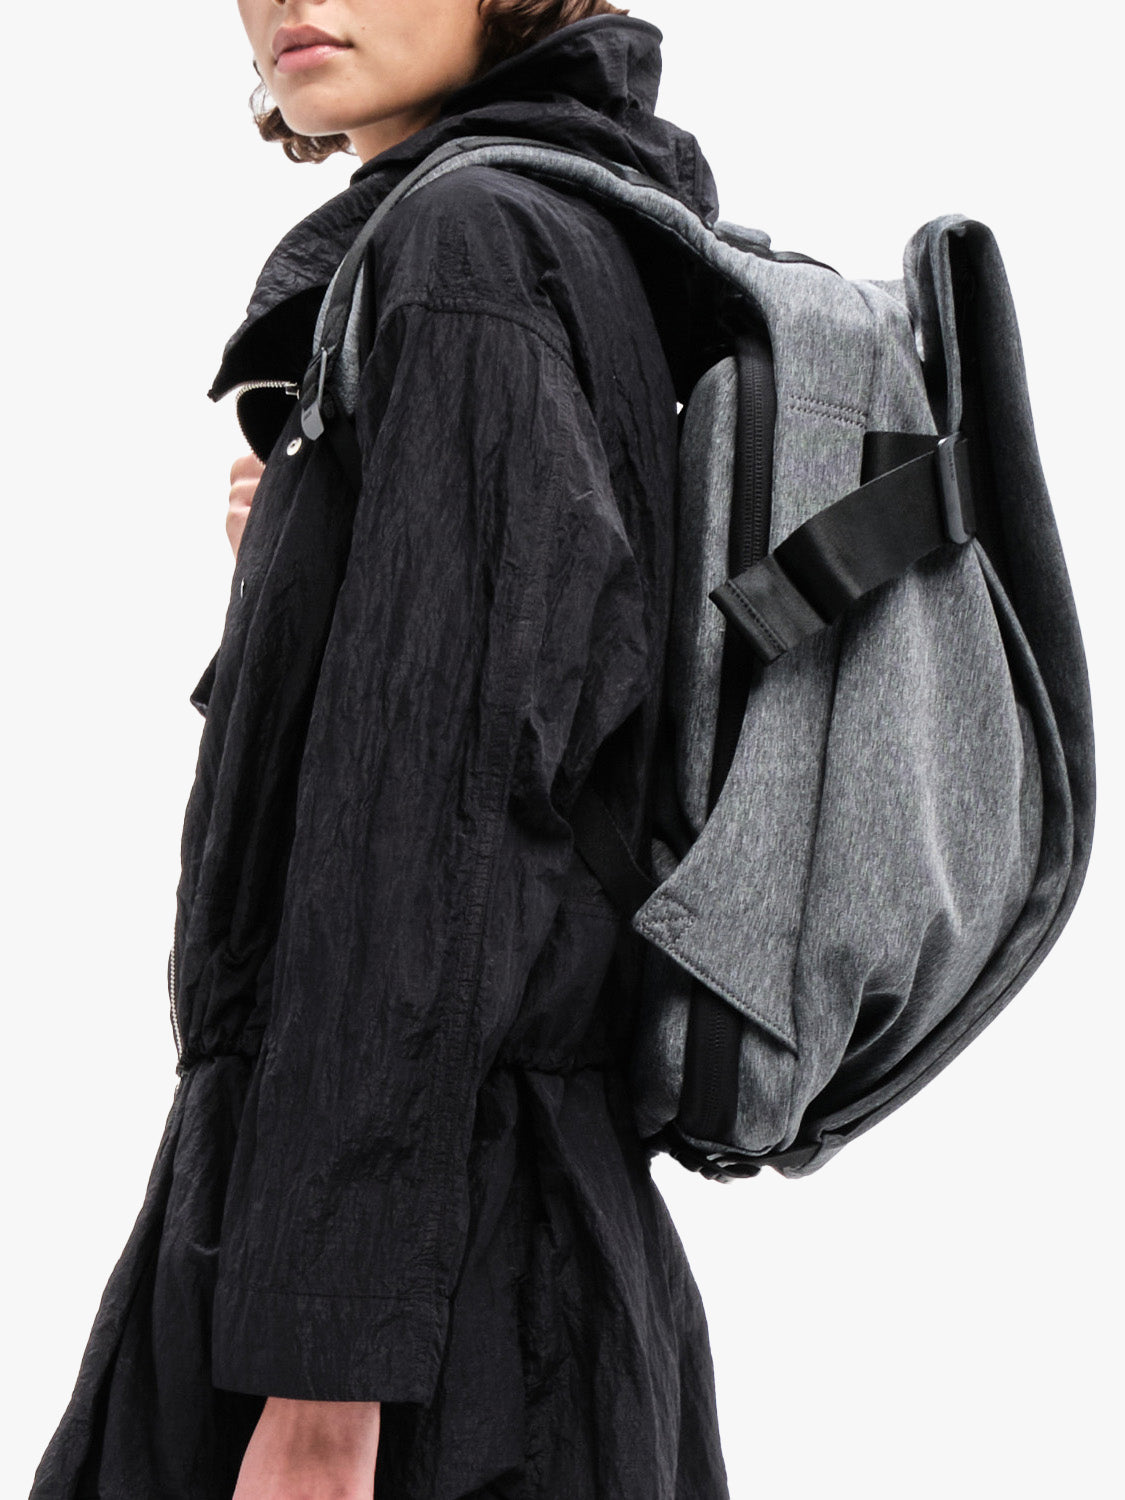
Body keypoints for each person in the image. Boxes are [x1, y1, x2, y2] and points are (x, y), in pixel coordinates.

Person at [29, 4, 731, 1498]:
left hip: (410, 1312)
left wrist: (323, 1390)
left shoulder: (464, 252)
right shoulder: (568, 232)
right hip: (488, 1245)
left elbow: (433, 832)